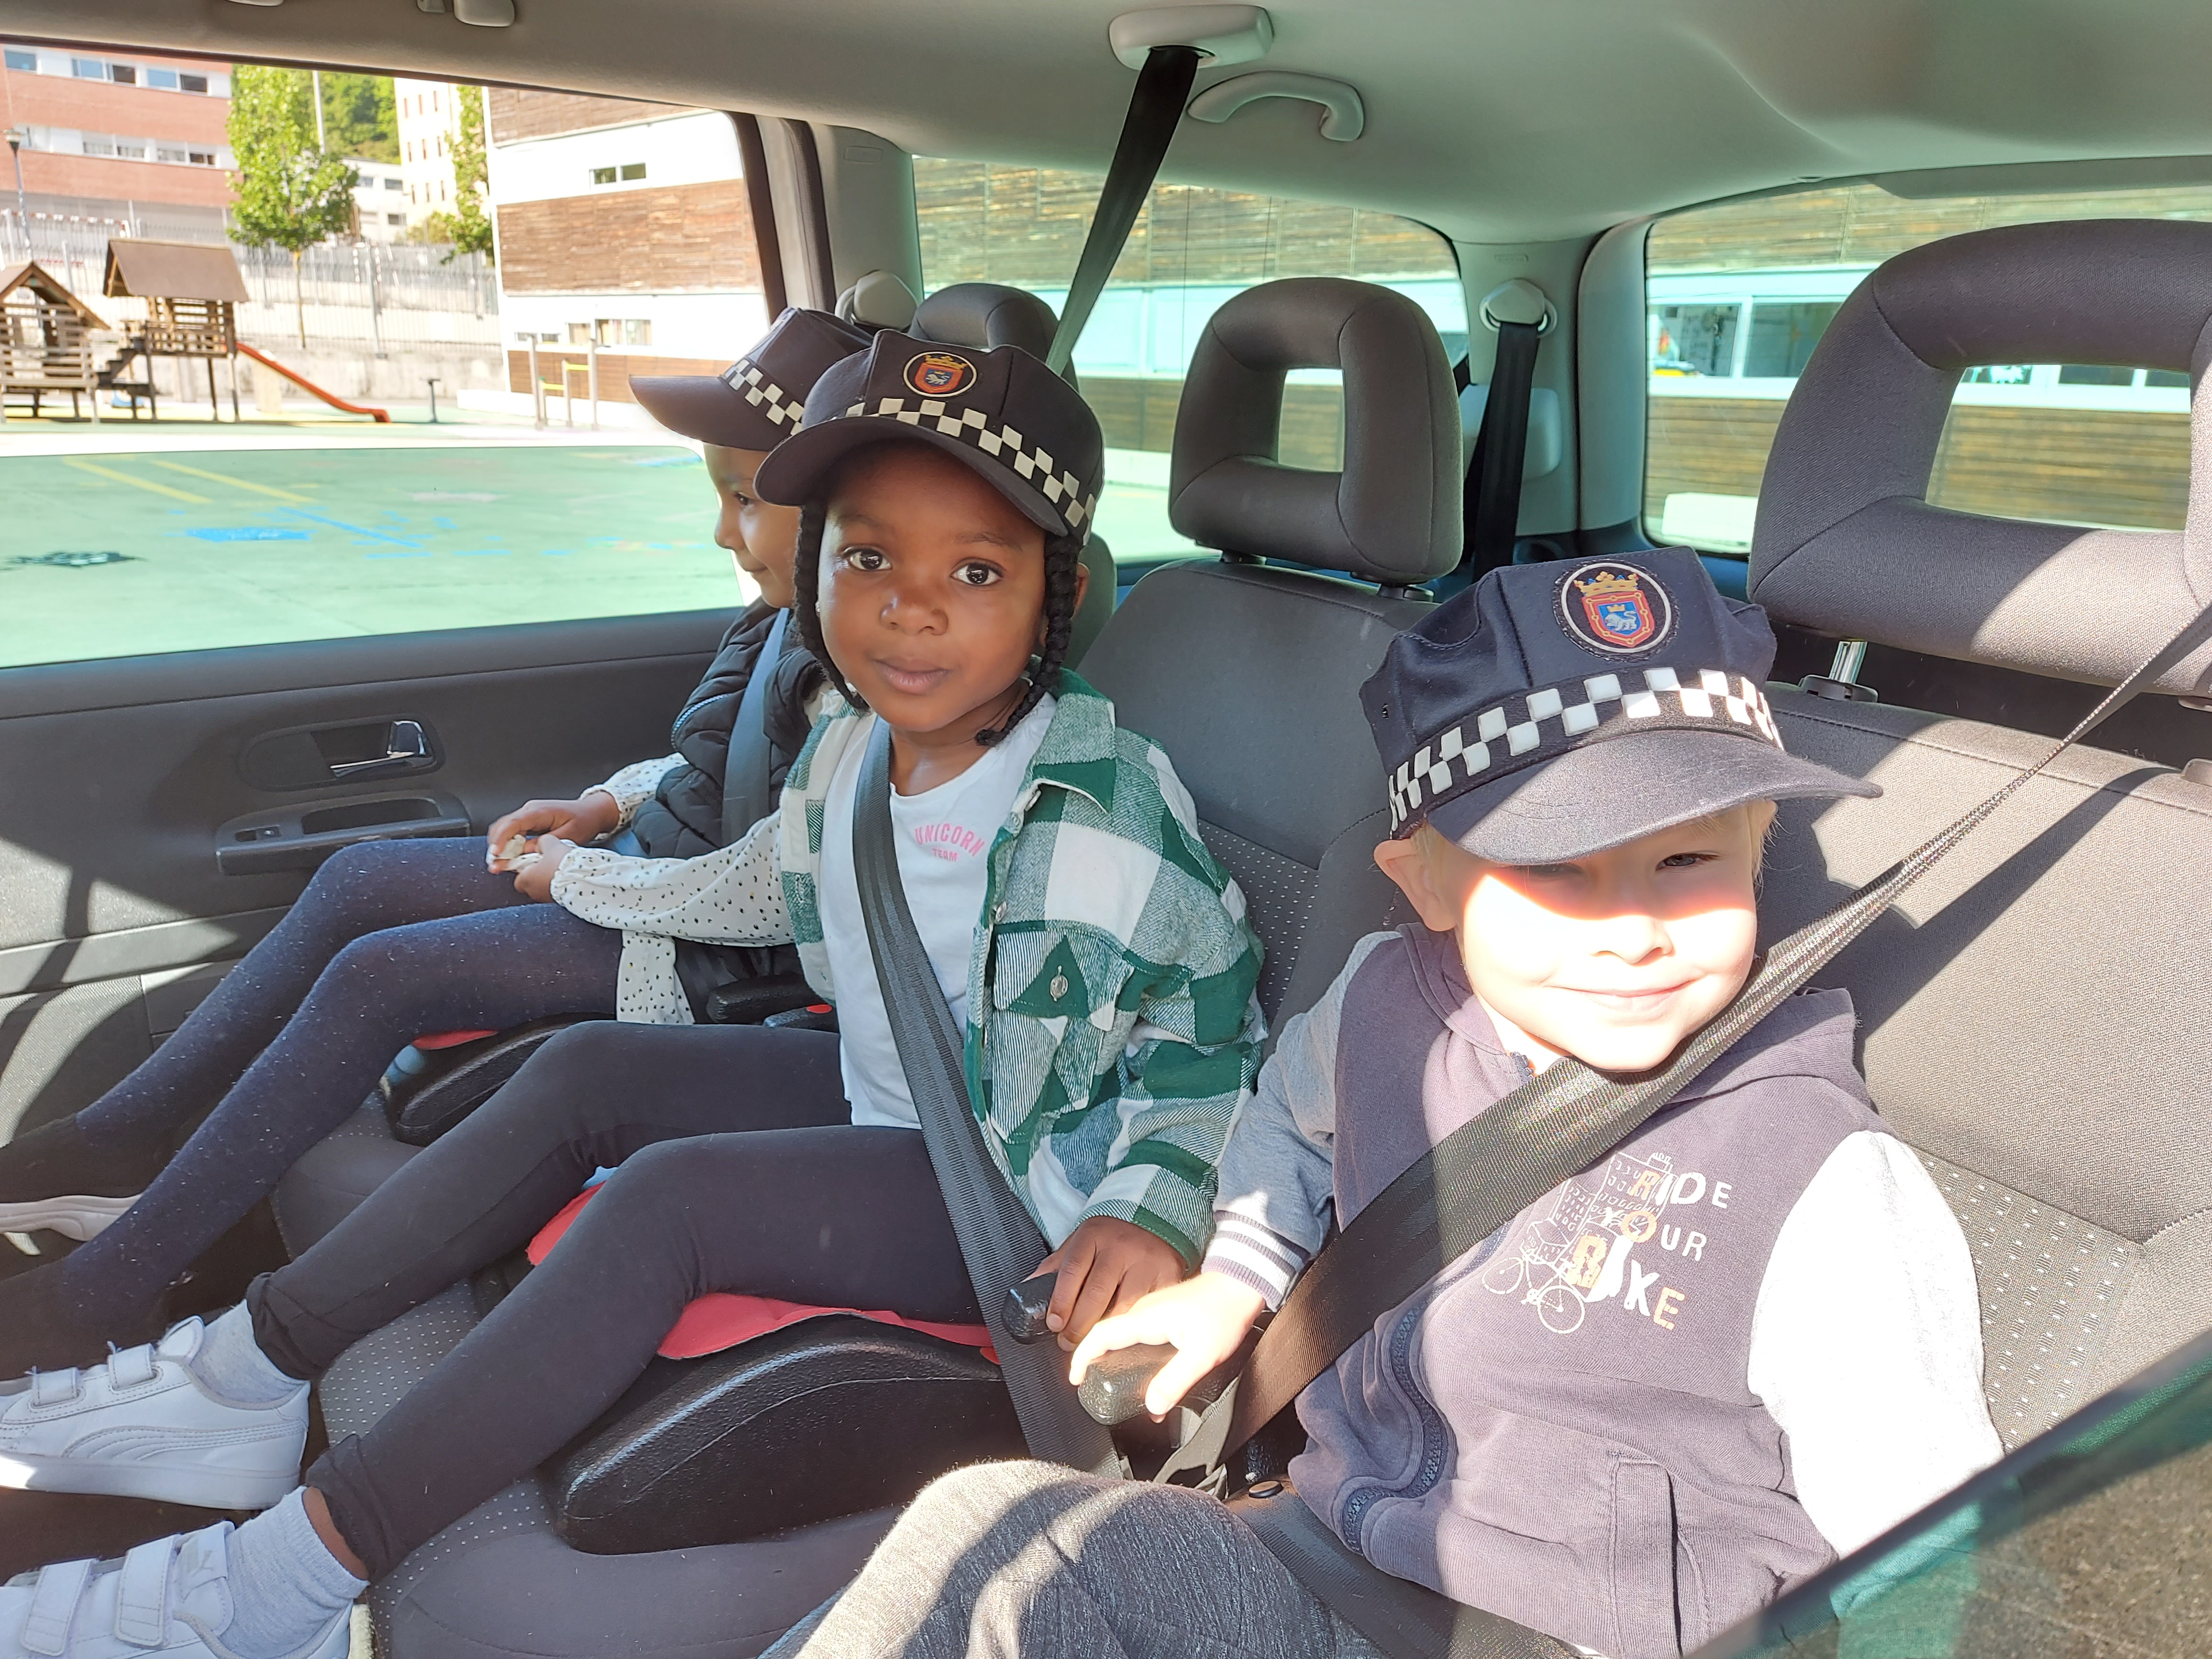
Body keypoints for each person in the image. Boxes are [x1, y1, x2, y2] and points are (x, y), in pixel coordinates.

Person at [0, 332, 1266, 1659]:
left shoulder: (1098, 804)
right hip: (894, 1095)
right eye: (868, 559)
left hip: (1014, 1190)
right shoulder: (850, 749)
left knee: (674, 1200)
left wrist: (1150, 1203)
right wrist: (597, 865)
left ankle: (272, 1584)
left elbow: (1213, 1022)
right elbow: (764, 887)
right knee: (590, 1072)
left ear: (1058, 596)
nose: (911, 607)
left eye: (978, 572)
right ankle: (245, 1375)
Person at [753, 551, 2006, 1659]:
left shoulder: (1807, 1164)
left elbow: (1927, 1530)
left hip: (1575, 1634)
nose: (1633, 929)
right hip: (1334, 1549)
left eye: (1688, 859)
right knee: (992, 1536)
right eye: (1556, 869)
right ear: (1427, 883)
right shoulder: (1379, 1004)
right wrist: (1234, 1283)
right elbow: (1289, 1130)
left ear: (1760, 845)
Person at [0, 308, 870, 1375]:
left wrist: (586, 877)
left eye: (746, 501)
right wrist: (602, 805)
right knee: (358, 877)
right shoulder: (786, 619)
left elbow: (779, 882)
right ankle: (119, 1143)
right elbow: (723, 765)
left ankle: (103, 1293)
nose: (723, 534)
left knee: (383, 975)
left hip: (714, 955)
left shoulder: (861, 667)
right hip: (654, 879)